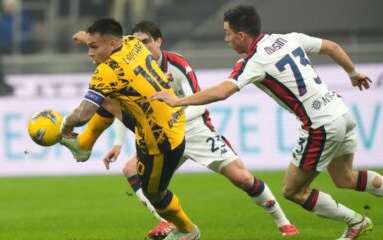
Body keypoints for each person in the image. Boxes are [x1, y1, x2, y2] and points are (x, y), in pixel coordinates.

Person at [151, 5, 382, 240]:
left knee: (293, 191)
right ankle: (358, 220)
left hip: (320, 126)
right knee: (345, 179)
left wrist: (177, 101)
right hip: (341, 111)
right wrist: (353, 73)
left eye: (228, 33)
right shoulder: (289, 38)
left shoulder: (253, 61)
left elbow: (221, 92)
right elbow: (332, 47)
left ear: (241, 35)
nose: (226, 39)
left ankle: (356, 222)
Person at [63, 20, 298, 239]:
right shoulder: (129, 54)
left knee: (242, 178)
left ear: (158, 42)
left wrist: (174, 112)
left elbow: (198, 99)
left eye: (146, 41)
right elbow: (125, 104)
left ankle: (283, 221)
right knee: (130, 168)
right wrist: (117, 143)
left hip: (191, 127)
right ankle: (167, 222)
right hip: (159, 127)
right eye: (138, 40)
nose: (140, 44)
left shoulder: (176, 64)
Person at [59, 18, 200, 240]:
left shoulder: (106, 72)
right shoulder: (134, 43)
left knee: (155, 195)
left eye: (94, 47)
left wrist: (63, 125)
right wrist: (87, 37)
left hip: (160, 138)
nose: (89, 53)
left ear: (112, 44)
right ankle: (83, 146)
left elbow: (82, 115)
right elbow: (111, 39)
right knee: (106, 100)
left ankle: (188, 230)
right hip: (162, 117)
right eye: (89, 46)